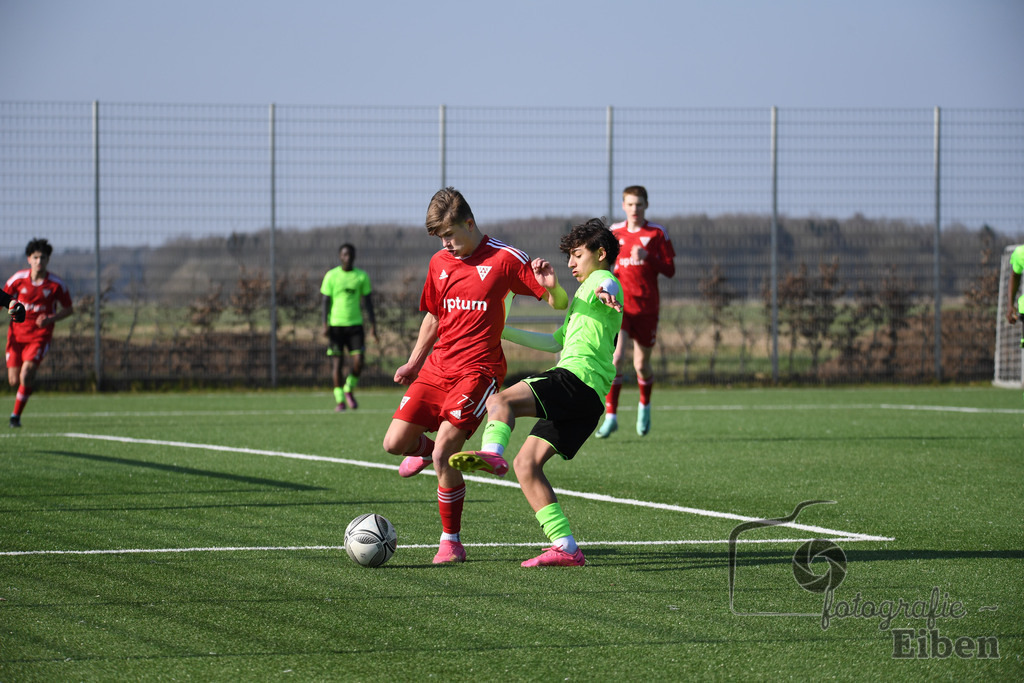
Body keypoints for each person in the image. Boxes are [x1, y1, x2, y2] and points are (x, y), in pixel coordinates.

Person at [381, 187, 569, 564]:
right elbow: (433, 316)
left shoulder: (506, 258)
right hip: (438, 367)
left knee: (446, 451)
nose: (446, 244)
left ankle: (451, 541)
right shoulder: (439, 263)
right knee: (394, 443)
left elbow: (556, 302)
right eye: (440, 238)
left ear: (470, 222)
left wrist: (555, 289)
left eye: (450, 234)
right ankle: (426, 451)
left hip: (479, 371)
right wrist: (414, 362)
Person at [448, 218, 623, 567]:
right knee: (526, 465)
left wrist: (608, 292)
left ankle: (491, 451)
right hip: (588, 400)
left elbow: (610, 284)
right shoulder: (580, 301)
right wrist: (499, 331)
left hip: (577, 380)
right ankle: (567, 547)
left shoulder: (602, 282)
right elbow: (552, 342)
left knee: (500, 400)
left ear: (600, 254)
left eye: (576, 255)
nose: (571, 264)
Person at [596, 185, 676, 438]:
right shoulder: (614, 233)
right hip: (621, 307)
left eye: (639, 204)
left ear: (646, 205)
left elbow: (670, 269)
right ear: (623, 206)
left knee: (641, 364)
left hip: (647, 308)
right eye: (630, 204)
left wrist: (648, 256)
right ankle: (611, 416)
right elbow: (603, 266)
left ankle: (645, 406)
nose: (634, 209)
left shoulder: (657, 233)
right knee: (616, 358)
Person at [5, 238, 74, 428]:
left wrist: (50, 319)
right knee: (13, 380)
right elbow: (4, 299)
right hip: (16, 337)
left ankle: (15, 417)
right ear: (29, 259)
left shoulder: (56, 285)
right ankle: (23, 395)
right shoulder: (17, 280)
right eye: (35, 257)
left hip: (39, 338)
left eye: (43, 257)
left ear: (48, 260)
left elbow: (69, 309)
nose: (39, 261)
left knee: (26, 375)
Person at [320, 243, 378, 411]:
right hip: (336, 326)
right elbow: (325, 301)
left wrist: (373, 325)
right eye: (345, 255)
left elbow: (368, 303)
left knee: (359, 361)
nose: (348, 257)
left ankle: (348, 388)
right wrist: (325, 324)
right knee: (337, 364)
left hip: (355, 326)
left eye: (350, 255)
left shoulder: (361, 276)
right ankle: (339, 400)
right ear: (340, 256)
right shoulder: (331, 276)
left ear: (354, 256)